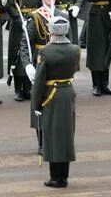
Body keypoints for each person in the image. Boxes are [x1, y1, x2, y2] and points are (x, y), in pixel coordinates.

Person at [31, 17, 80, 188]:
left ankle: (55, 177)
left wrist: (35, 104)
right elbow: (75, 69)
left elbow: (39, 81)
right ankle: (64, 176)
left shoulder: (45, 51)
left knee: (52, 136)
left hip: (51, 95)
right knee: (66, 135)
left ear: (51, 31)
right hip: (67, 92)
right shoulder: (75, 49)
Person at [20, 0, 68, 154]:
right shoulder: (35, 16)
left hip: (59, 63)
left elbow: (70, 42)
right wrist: (27, 65)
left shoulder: (62, 16)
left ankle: (56, 139)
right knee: (40, 101)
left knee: (58, 102)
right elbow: (25, 43)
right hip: (40, 63)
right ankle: (41, 142)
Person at [5, 0, 41, 101]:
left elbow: (40, 2)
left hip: (33, 20)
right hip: (19, 22)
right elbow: (10, 5)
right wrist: (20, 21)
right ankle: (18, 88)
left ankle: (29, 86)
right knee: (18, 54)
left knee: (32, 52)